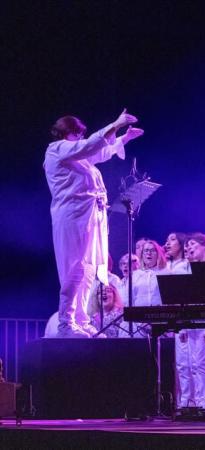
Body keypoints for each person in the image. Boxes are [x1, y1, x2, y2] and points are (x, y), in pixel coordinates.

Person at [44, 110, 143, 337]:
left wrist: (124, 138)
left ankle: (81, 318)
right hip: (73, 216)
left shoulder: (77, 157)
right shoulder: (56, 149)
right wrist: (115, 124)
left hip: (91, 216)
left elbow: (98, 153)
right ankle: (66, 322)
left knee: (89, 269)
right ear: (69, 132)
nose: (80, 138)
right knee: (75, 267)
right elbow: (89, 146)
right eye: (77, 134)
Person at [173, 233, 205, 410]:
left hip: (204, 320)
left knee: (202, 363)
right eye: (187, 245)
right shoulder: (186, 267)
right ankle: (190, 401)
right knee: (187, 364)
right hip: (188, 320)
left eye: (193, 244)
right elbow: (182, 297)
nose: (188, 248)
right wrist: (182, 325)